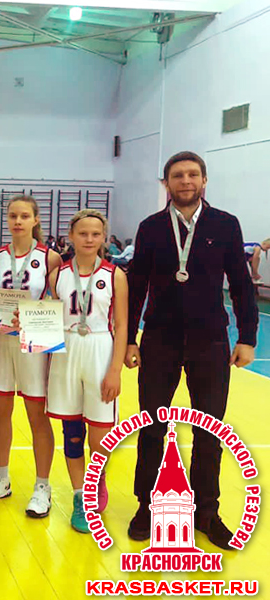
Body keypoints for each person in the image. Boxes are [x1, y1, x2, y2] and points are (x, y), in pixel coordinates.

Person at [125, 151, 258, 550]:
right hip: (159, 340)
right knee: (152, 426)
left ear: (204, 180)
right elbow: (136, 286)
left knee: (209, 431)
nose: (186, 181)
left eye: (193, 174)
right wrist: (129, 339)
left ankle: (207, 512)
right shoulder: (151, 227)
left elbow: (241, 284)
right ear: (166, 183)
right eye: (178, 175)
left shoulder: (225, 224)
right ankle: (146, 506)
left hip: (210, 341)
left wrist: (247, 337)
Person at [46, 209, 127, 533]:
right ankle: (81, 497)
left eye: (95, 234)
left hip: (99, 348)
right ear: (71, 237)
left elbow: (122, 325)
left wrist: (115, 370)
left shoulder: (115, 275)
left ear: (103, 237)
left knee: (100, 435)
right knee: (72, 432)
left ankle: (97, 477)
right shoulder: (58, 275)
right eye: (83, 234)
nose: (89, 239)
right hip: (66, 350)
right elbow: (48, 317)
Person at [0, 196, 61, 517]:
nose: (17, 221)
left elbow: (59, 301)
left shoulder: (51, 258)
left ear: (35, 220)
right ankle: (1, 477)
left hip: (35, 344)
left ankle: (43, 486)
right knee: (0, 412)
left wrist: (34, 316)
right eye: (13, 215)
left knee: (37, 415)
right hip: (1, 342)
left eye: (24, 216)